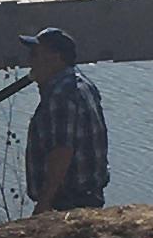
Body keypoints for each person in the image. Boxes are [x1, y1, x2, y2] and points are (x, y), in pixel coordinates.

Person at [23, 26, 109, 213]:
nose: (29, 60)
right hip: (88, 196)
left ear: (55, 58)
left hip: (68, 202)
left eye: (35, 54)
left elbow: (62, 151)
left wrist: (44, 202)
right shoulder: (83, 84)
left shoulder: (61, 94)